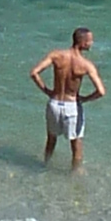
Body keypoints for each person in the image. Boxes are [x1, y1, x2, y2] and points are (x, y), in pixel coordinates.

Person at [31, 26, 104, 170]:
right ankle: (74, 176)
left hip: (54, 103)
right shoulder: (86, 65)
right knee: (76, 145)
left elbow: (34, 73)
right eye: (90, 41)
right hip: (72, 106)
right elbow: (101, 91)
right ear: (82, 43)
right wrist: (84, 99)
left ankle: (44, 166)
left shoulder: (56, 55)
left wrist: (47, 91)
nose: (92, 43)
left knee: (51, 139)